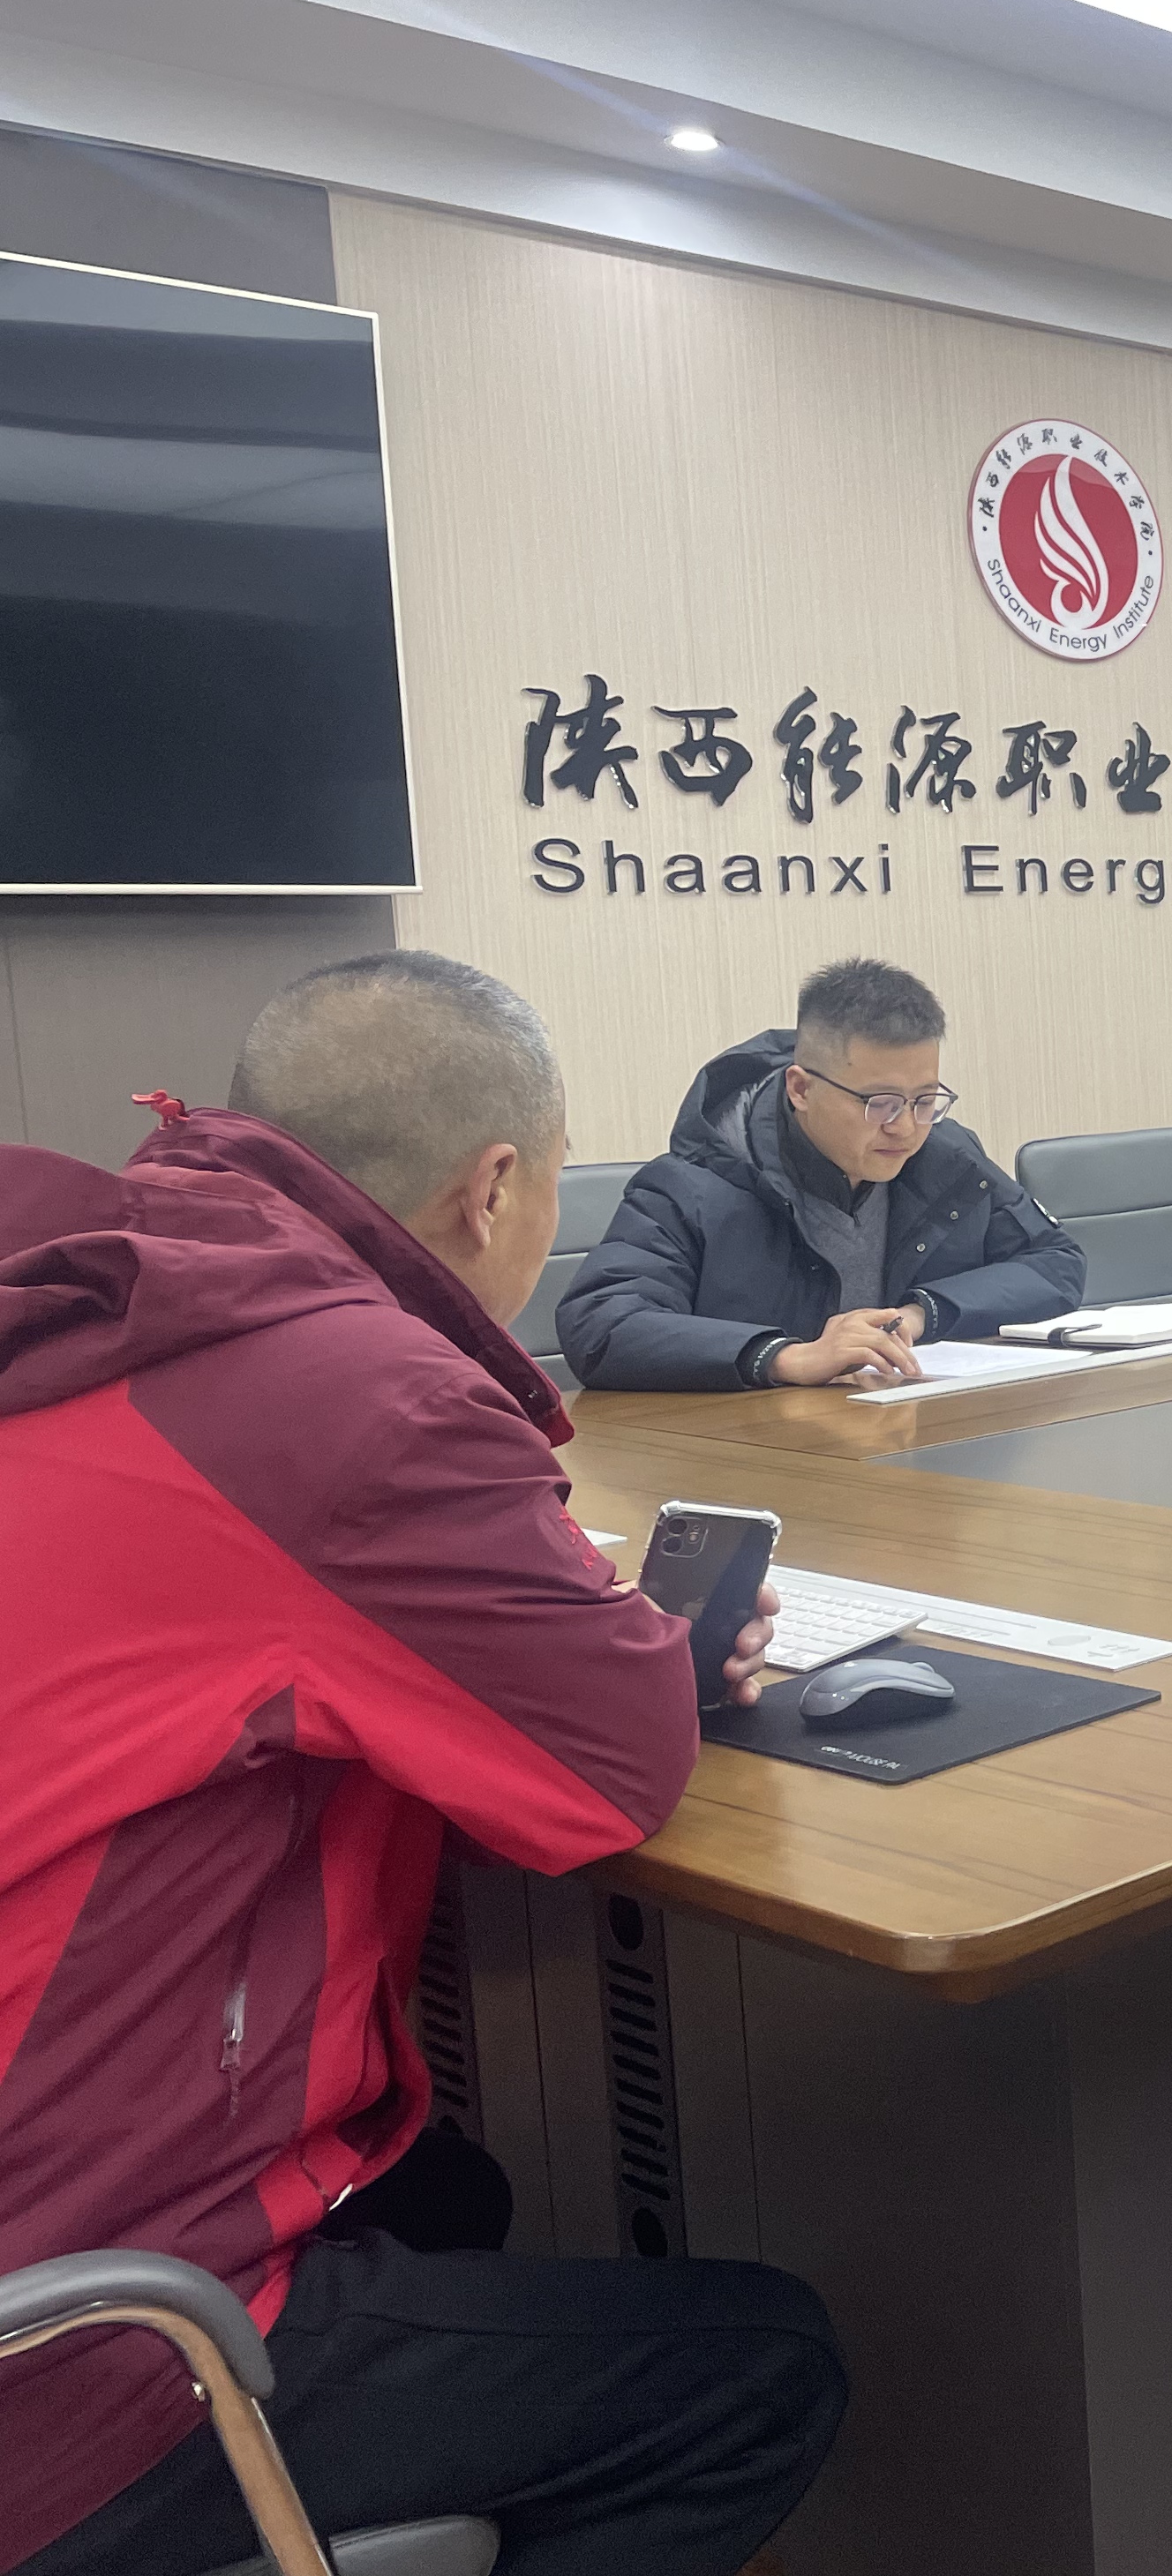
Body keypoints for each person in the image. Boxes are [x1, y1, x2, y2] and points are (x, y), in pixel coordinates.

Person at [0, 952, 844, 2576]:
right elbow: (608, 1773)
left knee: (452, 2188)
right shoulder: (348, 1389)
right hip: (70, 2356)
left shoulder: (102, 1304)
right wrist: (631, 1639)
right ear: (495, 1185)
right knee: (761, 2368)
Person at [560, 956, 1084, 1389]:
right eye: (879, 1103)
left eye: (925, 1100)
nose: (905, 1128)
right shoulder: (696, 1182)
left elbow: (1054, 1263)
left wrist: (920, 1314)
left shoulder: (947, 1158)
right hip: (753, 1453)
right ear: (802, 1089)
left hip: (910, 1435)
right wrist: (786, 1357)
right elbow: (602, 1325)